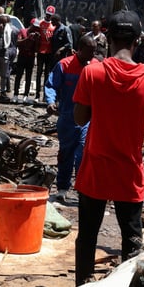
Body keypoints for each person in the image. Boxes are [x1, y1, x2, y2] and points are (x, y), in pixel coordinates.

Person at [72, 9, 144, 286]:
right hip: (129, 172)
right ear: (138, 41)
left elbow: (79, 118)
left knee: (87, 235)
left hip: (95, 169)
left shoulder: (92, 73)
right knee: (131, 240)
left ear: (106, 38)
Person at [45, 35, 97, 203]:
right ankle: (62, 187)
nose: (92, 56)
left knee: (83, 152)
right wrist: (51, 101)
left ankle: (81, 187)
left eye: (94, 52)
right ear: (79, 50)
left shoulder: (96, 67)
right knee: (66, 153)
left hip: (87, 120)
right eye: (89, 52)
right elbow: (51, 85)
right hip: (67, 118)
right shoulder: (64, 65)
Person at [13, 18, 40, 100]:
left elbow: (36, 49)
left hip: (30, 57)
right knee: (19, 75)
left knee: (28, 76)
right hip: (22, 56)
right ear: (31, 25)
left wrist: (37, 40)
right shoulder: (23, 31)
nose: (36, 29)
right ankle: (15, 94)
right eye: (34, 26)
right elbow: (18, 42)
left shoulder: (36, 34)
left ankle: (26, 95)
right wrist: (28, 38)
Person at [35, 6, 56, 100]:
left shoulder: (54, 25)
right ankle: (37, 95)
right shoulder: (40, 23)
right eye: (47, 14)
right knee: (39, 73)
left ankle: (45, 95)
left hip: (49, 52)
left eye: (50, 15)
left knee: (47, 74)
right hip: (40, 51)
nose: (48, 17)